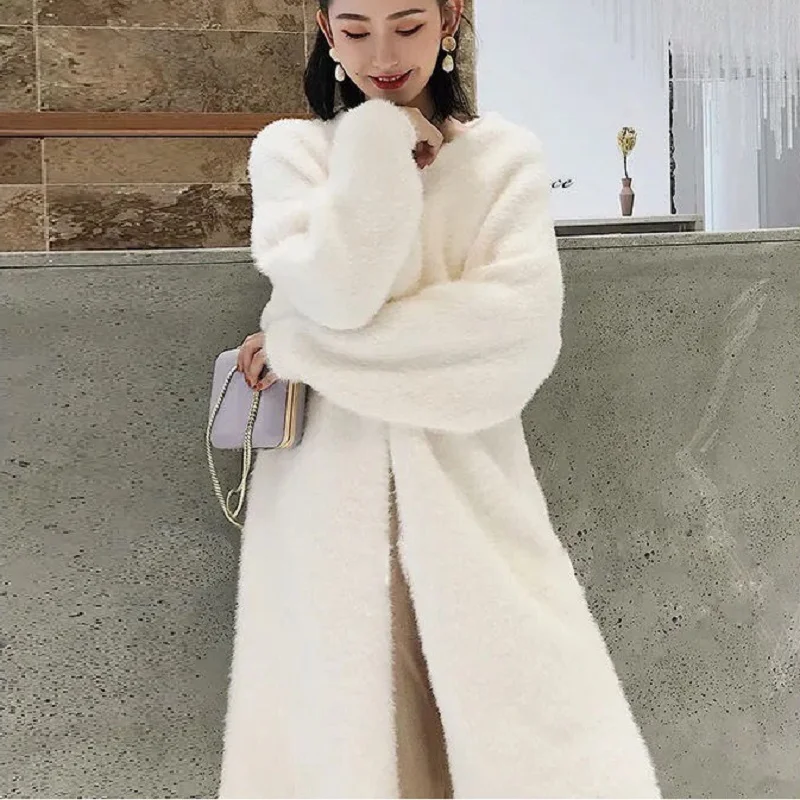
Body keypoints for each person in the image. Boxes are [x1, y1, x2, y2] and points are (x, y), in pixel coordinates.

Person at [219, 1, 661, 797]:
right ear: (326, 31)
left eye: (408, 24)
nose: (382, 54)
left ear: (450, 18)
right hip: (325, 510)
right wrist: (378, 145)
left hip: (469, 497)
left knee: (506, 745)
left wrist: (299, 347)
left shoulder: (503, 160)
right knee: (350, 751)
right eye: (357, 31)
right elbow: (341, 290)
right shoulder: (292, 155)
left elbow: (507, 348)